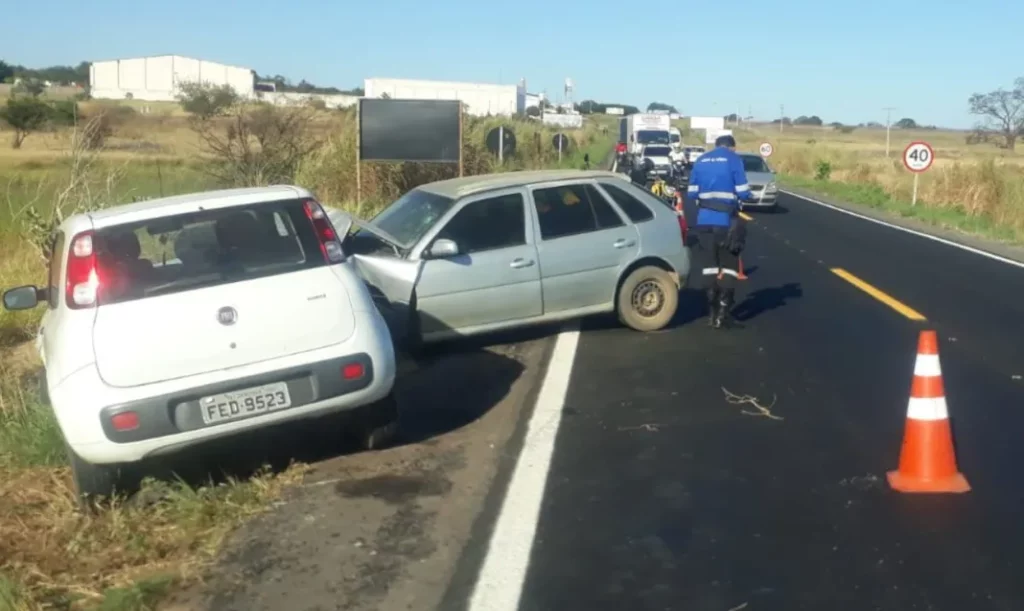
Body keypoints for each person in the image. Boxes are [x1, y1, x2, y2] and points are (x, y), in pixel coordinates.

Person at [685, 134, 756, 329]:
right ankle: (723, 316)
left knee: (710, 266)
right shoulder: (734, 159)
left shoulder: (700, 160)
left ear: (716, 145)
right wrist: (746, 195)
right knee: (730, 267)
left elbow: (691, 193)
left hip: (704, 222)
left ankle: (711, 313)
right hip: (726, 224)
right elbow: (743, 191)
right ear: (731, 147)